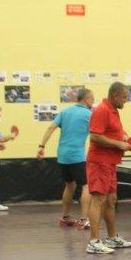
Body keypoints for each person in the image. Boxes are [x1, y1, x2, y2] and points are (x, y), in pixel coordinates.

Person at [84, 82, 131, 254]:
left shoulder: (113, 110)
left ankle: (112, 237)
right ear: (115, 96)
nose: (126, 100)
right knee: (98, 200)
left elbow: (113, 130)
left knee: (111, 200)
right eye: (124, 97)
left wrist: (124, 136)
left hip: (110, 162)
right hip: (99, 162)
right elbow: (95, 136)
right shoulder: (102, 110)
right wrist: (118, 144)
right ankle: (93, 242)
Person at [38, 88, 93, 228]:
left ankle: (65, 217)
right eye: (92, 99)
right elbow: (98, 134)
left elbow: (51, 128)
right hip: (77, 156)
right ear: (86, 100)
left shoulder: (65, 112)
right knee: (86, 186)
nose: (93, 102)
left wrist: (41, 146)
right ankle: (84, 220)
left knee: (69, 185)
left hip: (62, 156)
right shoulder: (89, 114)